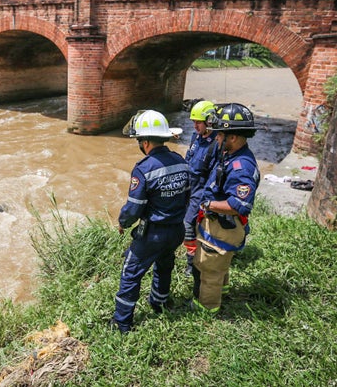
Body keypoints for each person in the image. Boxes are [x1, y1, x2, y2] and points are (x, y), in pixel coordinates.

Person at [111, 110, 189, 333]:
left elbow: (134, 208)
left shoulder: (143, 169)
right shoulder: (180, 161)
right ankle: (159, 302)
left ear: (145, 142)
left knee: (131, 272)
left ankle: (122, 323)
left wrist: (123, 223)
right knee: (165, 265)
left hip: (153, 234)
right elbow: (187, 196)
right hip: (176, 230)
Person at [191, 103, 261, 314]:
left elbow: (238, 205)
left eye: (220, 135)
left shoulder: (241, 167)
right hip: (220, 224)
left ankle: (206, 308)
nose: (217, 138)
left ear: (233, 137)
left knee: (209, 269)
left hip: (222, 226)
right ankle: (224, 289)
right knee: (220, 261)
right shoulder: (231, 154)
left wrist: (208, 204)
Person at [182, 100, 218, 276]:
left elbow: (214, 176)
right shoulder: (195, 137)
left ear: (209, 121)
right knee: (183, 222)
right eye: (193, 122)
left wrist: (205, 200)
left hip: (200, 190)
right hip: (189, 185)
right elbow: (189, 159)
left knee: (188, 224)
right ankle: (193, 253)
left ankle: (193, 263)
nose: (195, 126)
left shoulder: (216, 143)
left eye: (198, 122)